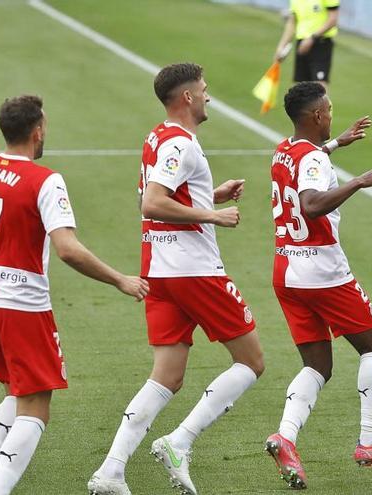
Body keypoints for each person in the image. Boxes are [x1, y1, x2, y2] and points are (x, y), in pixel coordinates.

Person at [0, 95, 148, 495]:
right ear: (37, 131)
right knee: (35, 405)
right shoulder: (44, 180)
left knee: (17, 388)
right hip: (21, 306)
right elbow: (67, 249)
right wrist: (119, 279)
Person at [88, 63, 264, 495]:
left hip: (159, 270)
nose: (208, 97)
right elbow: (152, 202)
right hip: (194, 271)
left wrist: (209, 193)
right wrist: (212, 213)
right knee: (251, 362)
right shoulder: (181, 144)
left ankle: (111, 471)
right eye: (204, 90)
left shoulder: (156, 136)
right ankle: (178, 442)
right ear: (187, 97)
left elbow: (158, 195)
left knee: (166, 377)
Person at [264, 81, 372, 490]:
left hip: (286, 269)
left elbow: (307, 162)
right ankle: (369, 442)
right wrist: (358, 181)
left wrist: (336, 145)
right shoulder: (310, 157)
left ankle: (286, 437)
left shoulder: (284, 148)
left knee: (317, 365)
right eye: (328, 110)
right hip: (322, 270)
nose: (332, 115)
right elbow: (311, 205)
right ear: (315, 116)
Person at [273, 0, 340, 88]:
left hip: (321, 43)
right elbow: (292, 22)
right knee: (299, 87)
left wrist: (312, 38)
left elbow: (333, 19)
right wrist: (282, 46)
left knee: (319, 88)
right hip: (301, 44)